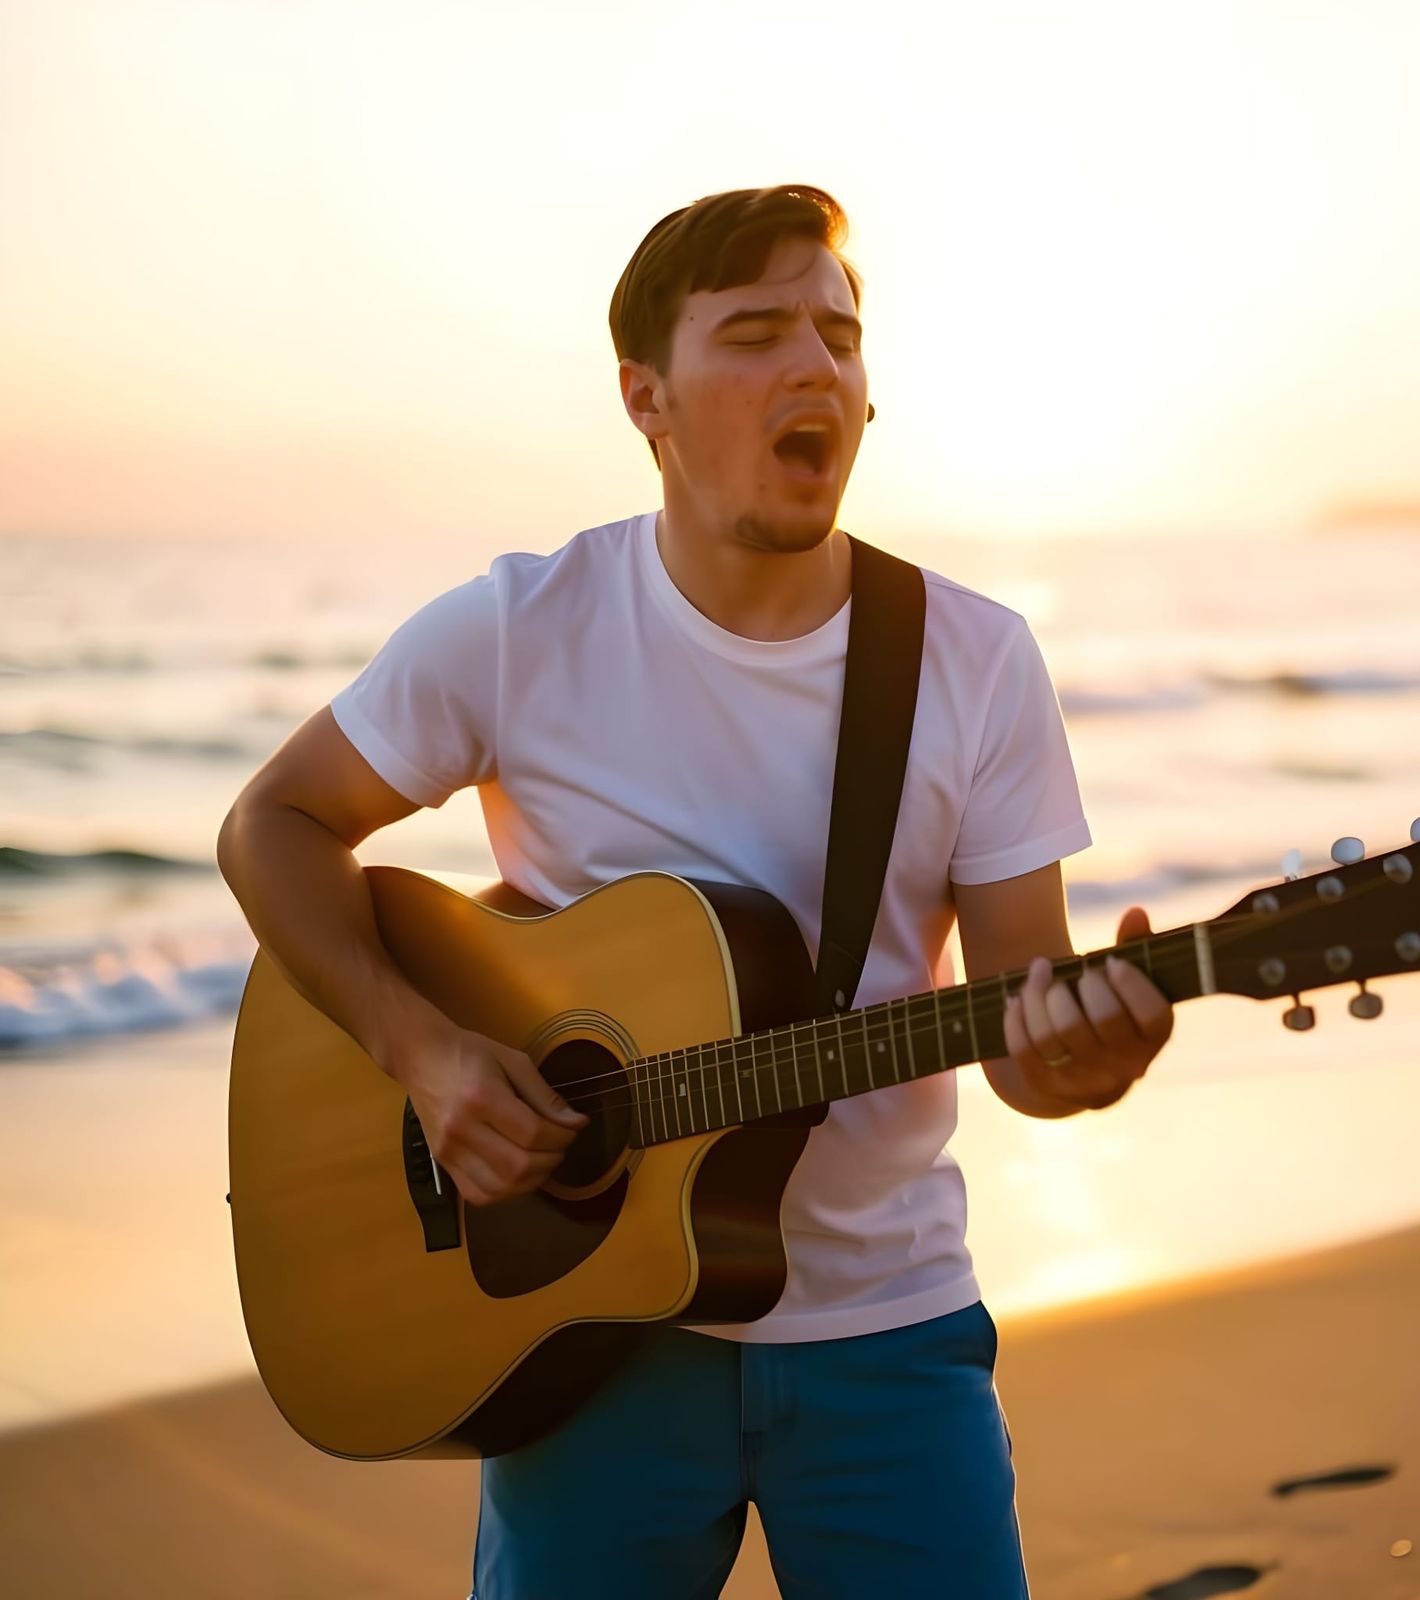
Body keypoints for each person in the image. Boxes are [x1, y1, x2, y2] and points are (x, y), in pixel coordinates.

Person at [216, 183, 1176, 1599]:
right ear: (645, 396)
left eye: (841, 338)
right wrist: (422, 1054)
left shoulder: (972, 661)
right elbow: (272, 825)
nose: (817, 369)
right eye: (758, 332)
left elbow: (1025, 1031)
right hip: (585, 1339)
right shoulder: (520, 629)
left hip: (889, 1339)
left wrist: (1089, 1060)